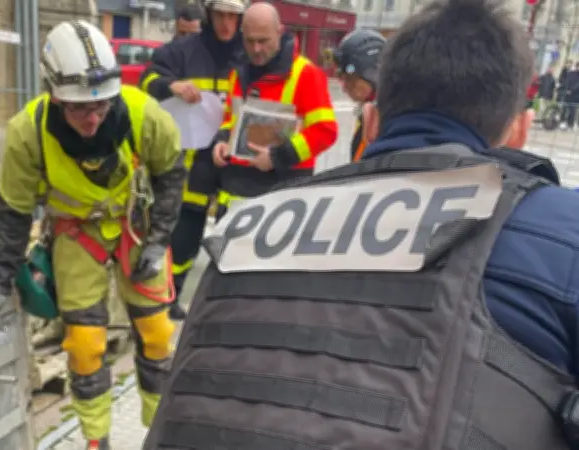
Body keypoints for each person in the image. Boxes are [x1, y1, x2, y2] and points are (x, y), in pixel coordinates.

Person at [143, 0, 579, 448]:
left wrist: (277, 156)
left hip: (268, 189)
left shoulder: (239, 235)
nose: (253, 46)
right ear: (518, 132)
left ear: (371, 120)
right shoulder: (559, 230)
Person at [0, 20, 185, 450]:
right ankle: (96, 440)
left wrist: (159, 240)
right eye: (79, 108)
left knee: (156, 334)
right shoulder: (29, 132)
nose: (93, 118)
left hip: (136, 228)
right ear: (54, 94)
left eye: (101, 106)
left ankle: (162, 434)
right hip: (77, 234)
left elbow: (171, 176)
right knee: (83, 346)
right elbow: (13, 210)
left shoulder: (143, 114)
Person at [140, 0, 246, 319]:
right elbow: (146, 81)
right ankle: (170, 295)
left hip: (234, 158)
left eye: (234, 16)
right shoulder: (183, 51)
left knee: (235, 233)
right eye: (221, 15)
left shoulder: (250, 54)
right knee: (184, 233)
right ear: (209, 14)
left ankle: (229, 304)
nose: (227, 23)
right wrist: (170, 85)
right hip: (192, 161)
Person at [211, 3, 337, 205]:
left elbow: (324, 130)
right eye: (250, 41)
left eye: (263, 41)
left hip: (282, 195)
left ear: (279, 32)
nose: (256, 49)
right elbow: (230, 120)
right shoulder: (238, 73)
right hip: (235, 193)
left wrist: (278, 156)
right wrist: (222, 140)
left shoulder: (306, 74)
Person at [332, 28, 386, 161]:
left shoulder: (385, 119)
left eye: (350, 79)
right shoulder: (370, 112)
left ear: (372, 74)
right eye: (342, 79)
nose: (344, 88)